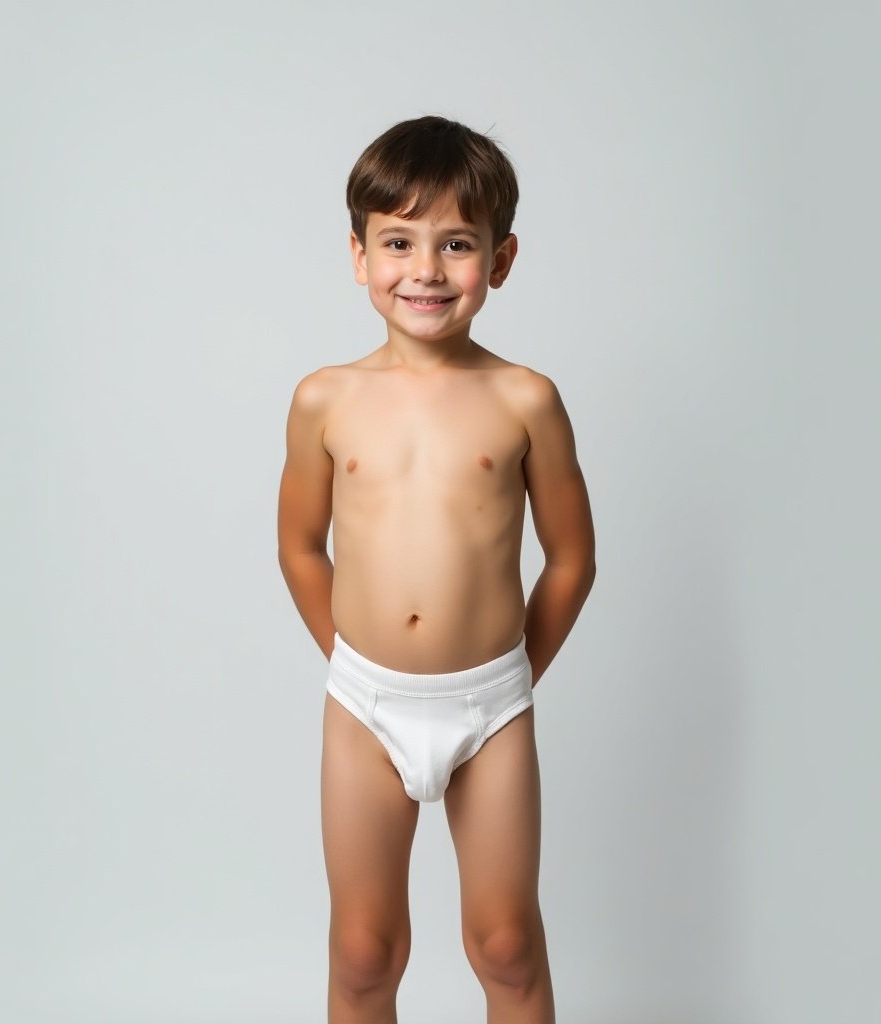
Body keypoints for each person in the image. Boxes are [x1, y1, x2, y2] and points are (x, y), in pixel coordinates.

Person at [277, 115, 596, 1024]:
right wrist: (352, 659)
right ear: (358, 254)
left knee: (505, 943)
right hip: (366, 705)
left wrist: (514, 676)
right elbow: (300, 544)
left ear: (500, 259)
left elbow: (573, 557)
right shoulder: (324, 399)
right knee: (365, 953)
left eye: (456, 243)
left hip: (490, 705)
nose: (426, 268)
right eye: (399, 242)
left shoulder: (524, 398)